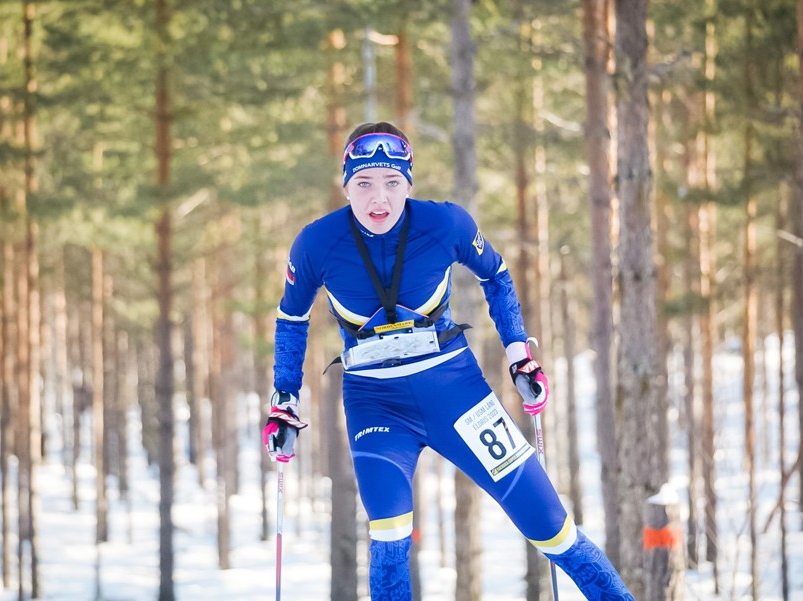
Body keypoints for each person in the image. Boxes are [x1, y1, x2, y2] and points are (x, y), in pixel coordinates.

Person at [263, 121, 634, 601]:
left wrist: (520, 356)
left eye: (392, 182)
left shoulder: (445, 224)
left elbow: (496, 276)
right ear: (346, 185)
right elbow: (291, 319)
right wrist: (284, 401)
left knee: (553, 529)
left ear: (409, 182)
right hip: (376, 404)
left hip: (456, 392)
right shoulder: (316, 243)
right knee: (390, 537)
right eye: (364, 184)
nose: (379, 198)